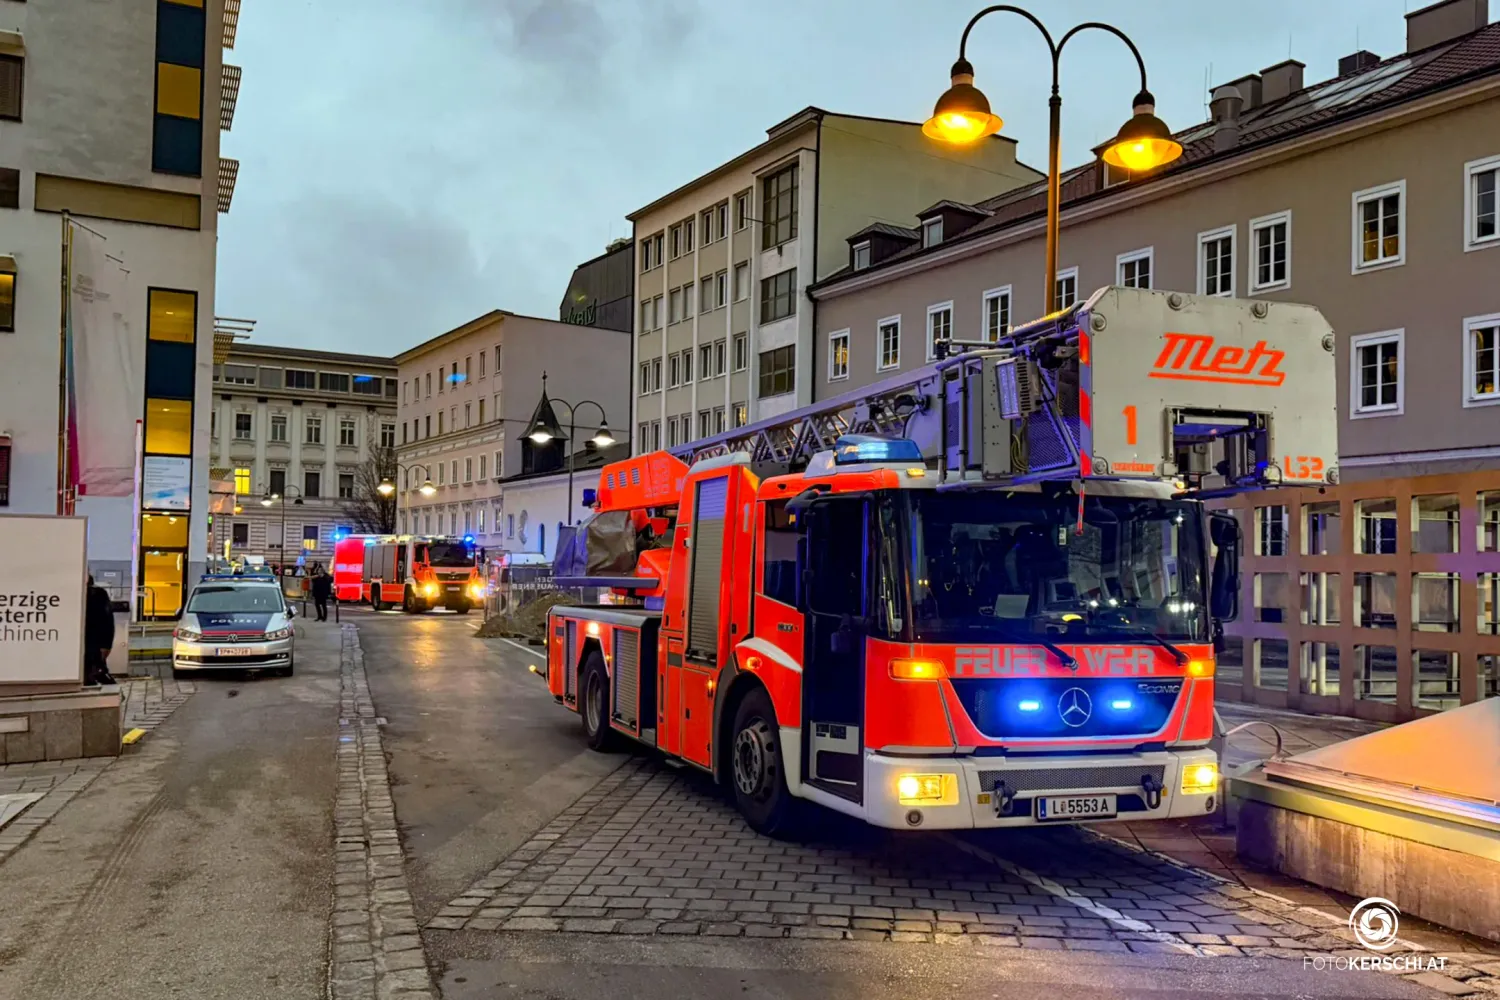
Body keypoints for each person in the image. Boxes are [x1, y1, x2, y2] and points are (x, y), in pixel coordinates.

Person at [84, 574, 116, 686]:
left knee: (92, 673)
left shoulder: (97, 595)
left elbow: (106, 621)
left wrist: (105, 645)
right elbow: (108, 622)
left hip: (91, 645)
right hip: (93, 645)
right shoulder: (99, 595)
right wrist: (106, 645)